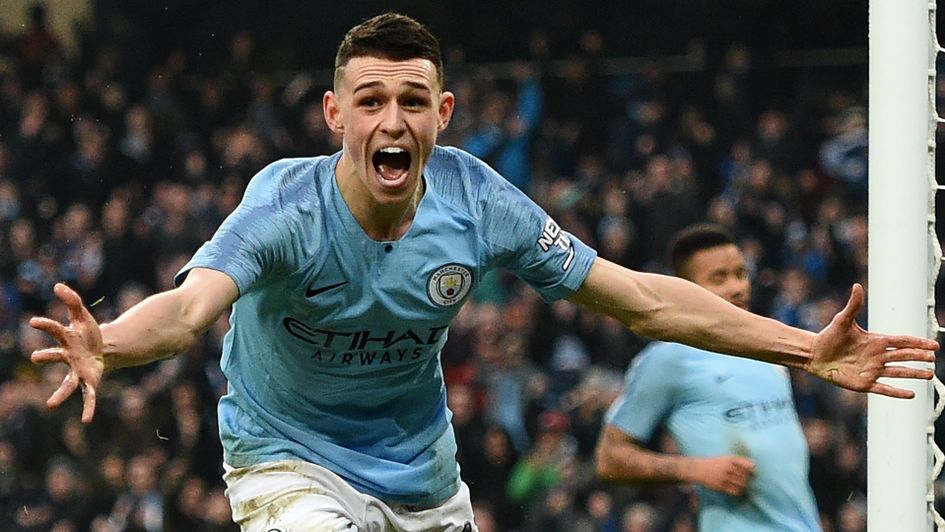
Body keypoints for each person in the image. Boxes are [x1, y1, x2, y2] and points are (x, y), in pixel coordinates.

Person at [27, 12, 936, 532]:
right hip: (286, 459)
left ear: (443, 112)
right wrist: (108, 341)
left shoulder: (479, 203)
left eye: (412, 100)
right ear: (333, 115)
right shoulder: (283, 210)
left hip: (421, 477)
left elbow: (644, 300)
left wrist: (800, 350)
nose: (392, 119)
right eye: (371, 100)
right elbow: (191, 313)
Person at [595, 223, 821, 531]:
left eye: (741, 273)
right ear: (686, 290)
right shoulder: (669, 358)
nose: (737, 287)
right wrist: (695, 469)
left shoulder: (768, 350)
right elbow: (611, 459)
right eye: (719, 278)